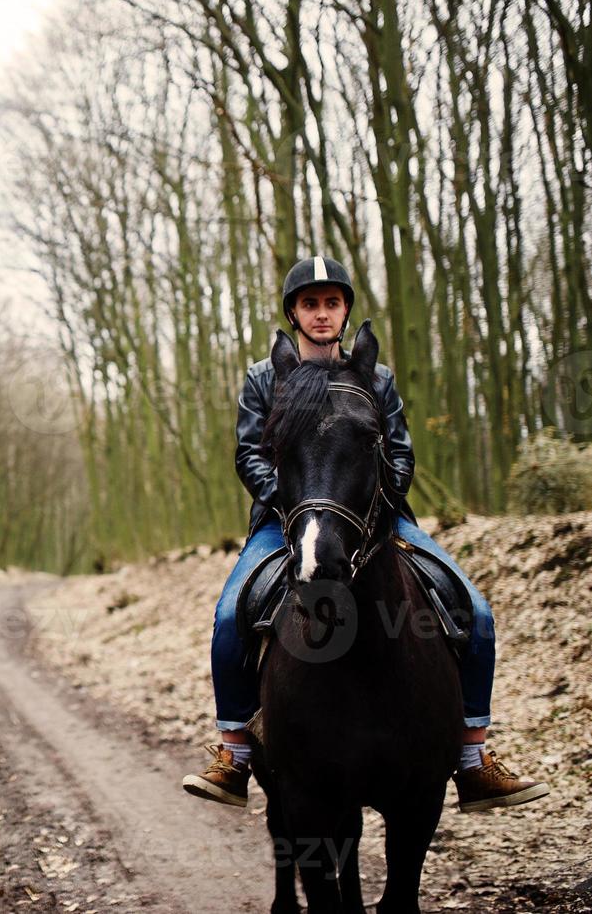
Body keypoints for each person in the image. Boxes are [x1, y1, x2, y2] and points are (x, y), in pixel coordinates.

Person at [182, 256, 549, 814]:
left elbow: (399, 453)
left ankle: (473, 758)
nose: (323, 313)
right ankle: (234, 750)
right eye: (311, 303)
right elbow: (250, 455)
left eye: (332, 303)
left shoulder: (376, 379)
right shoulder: (265, 378)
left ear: (346, 309)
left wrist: (374, 503)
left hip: (376, 520)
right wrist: (297, 505)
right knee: (232, 613)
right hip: (287, 522)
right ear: (294, 312)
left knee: (476, 610)